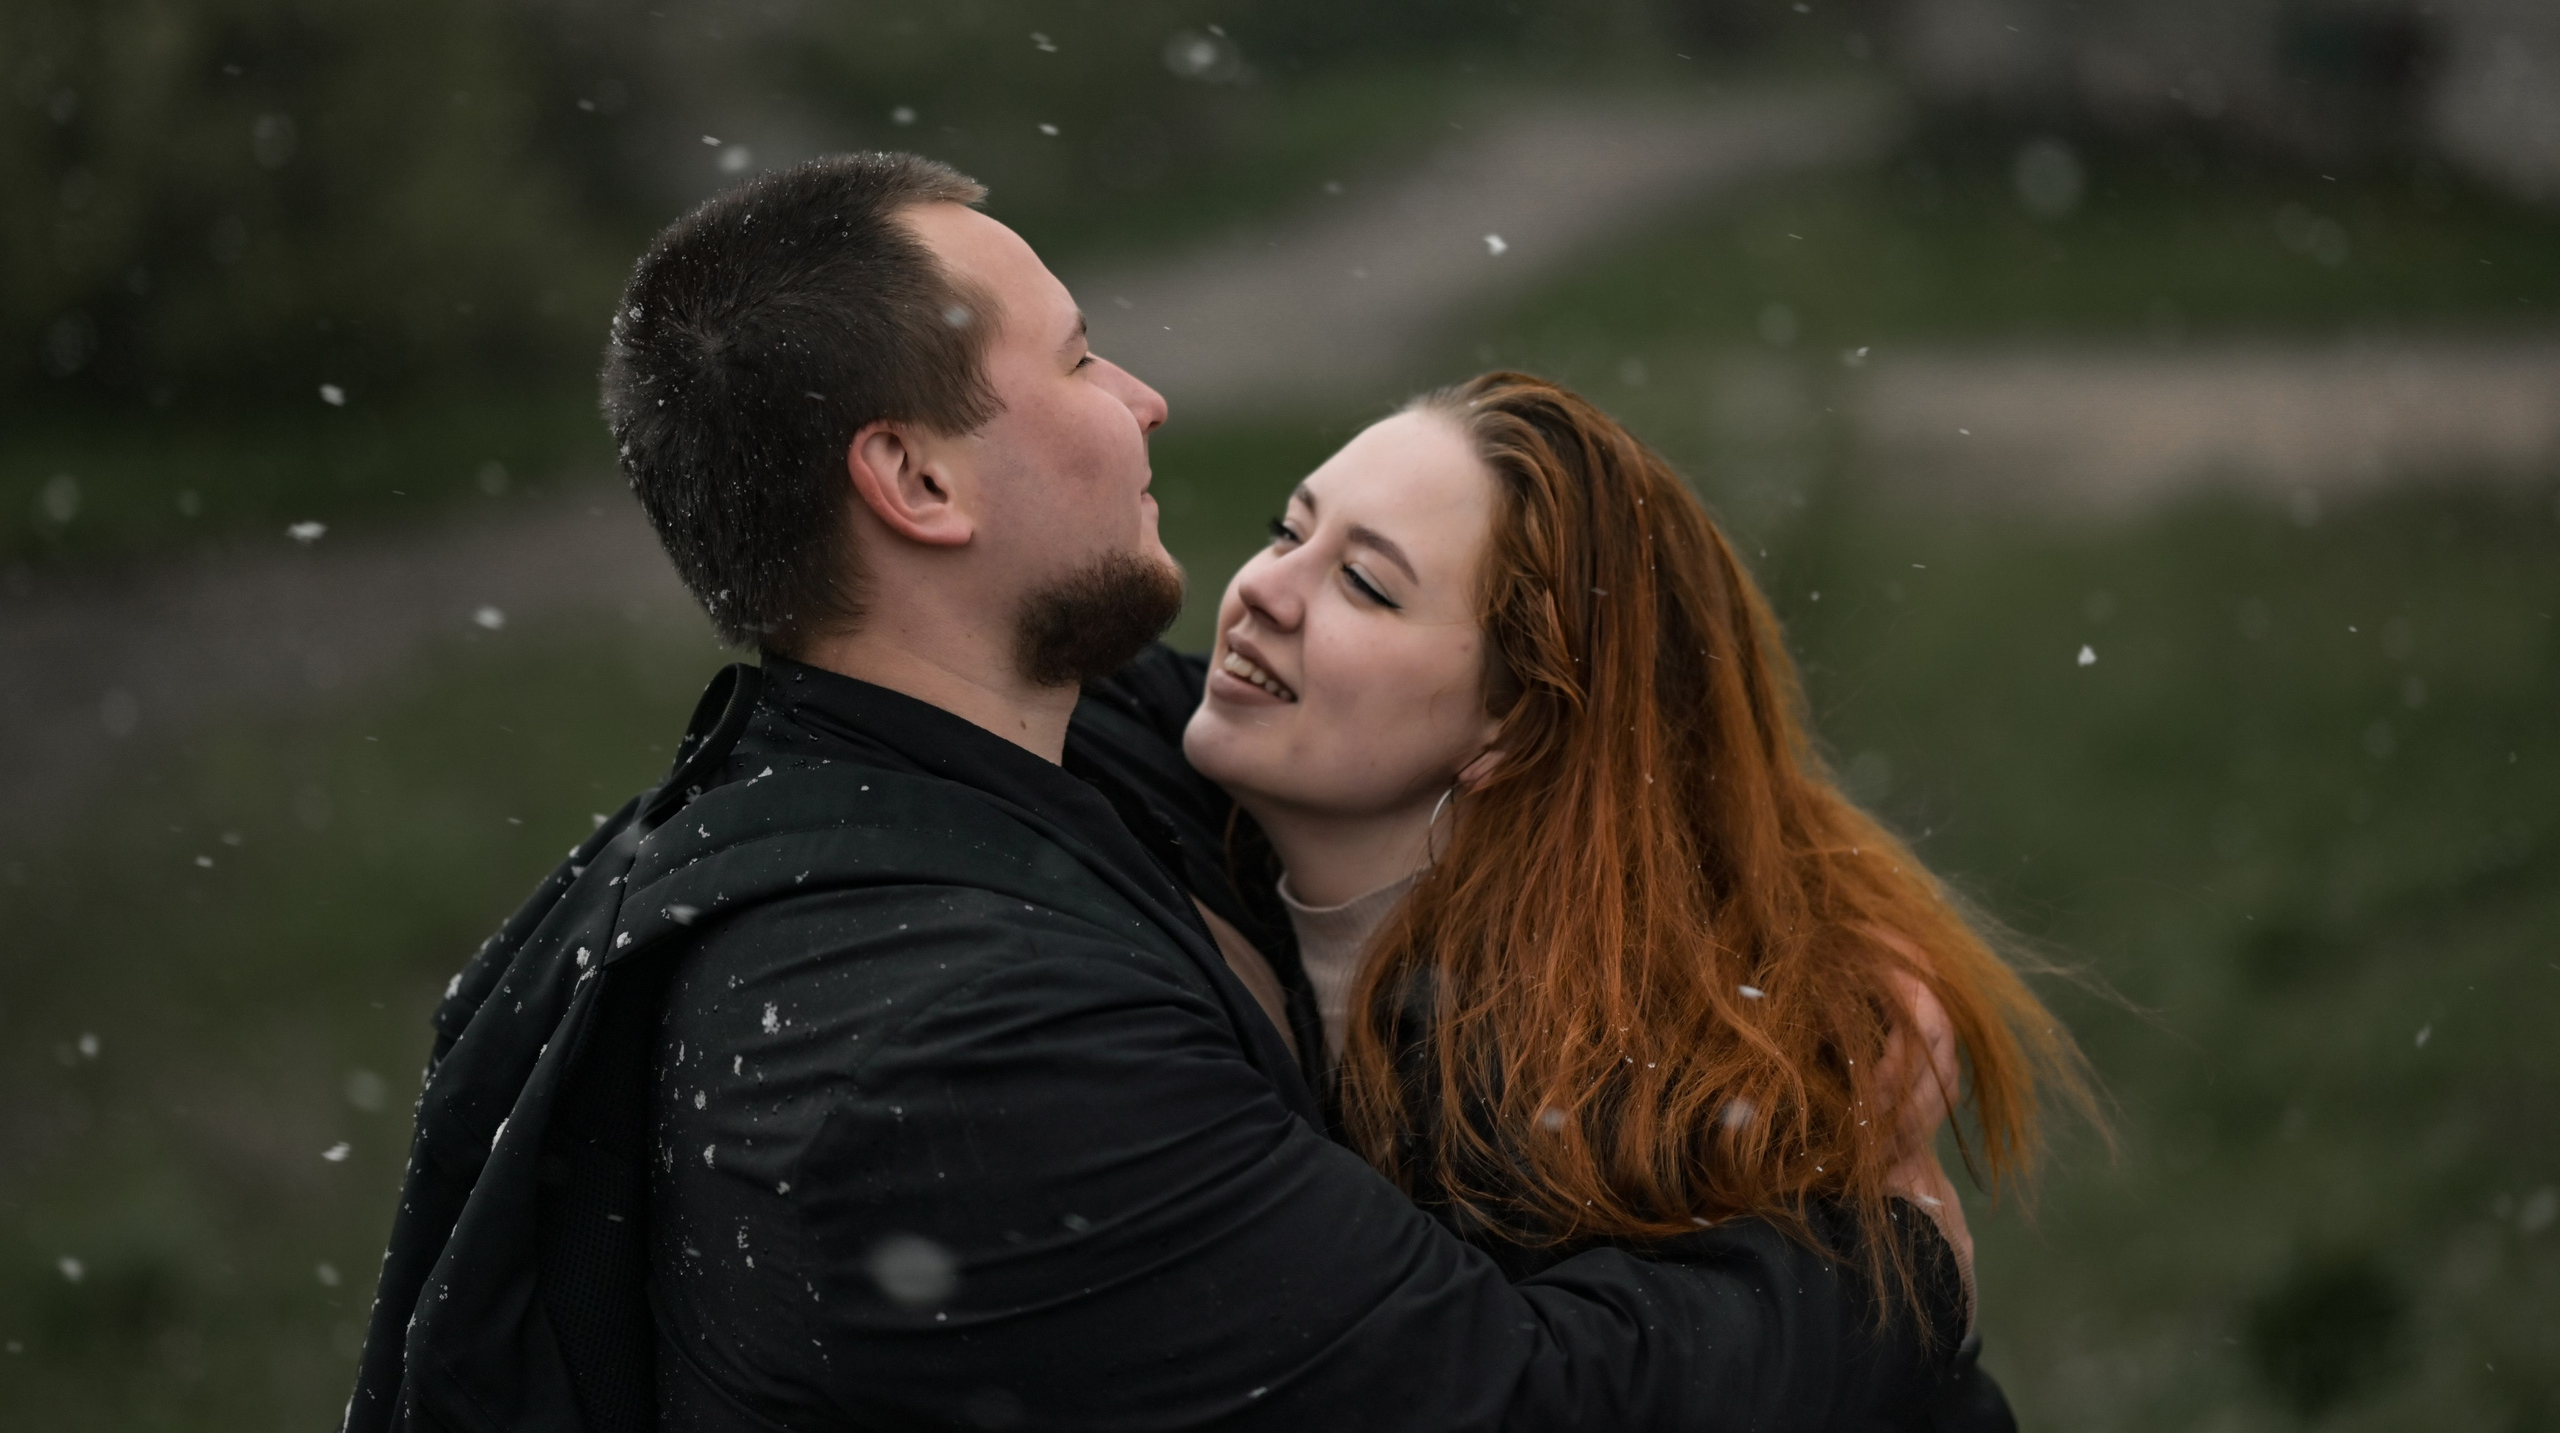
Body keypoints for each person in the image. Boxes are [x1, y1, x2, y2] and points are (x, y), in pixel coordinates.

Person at [348, 153, 1992, 1433]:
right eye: (1077, 357)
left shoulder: (1080, 740)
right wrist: (1886, 1263)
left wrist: (1808, 996)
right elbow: (1513, 1403)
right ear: (917, 480)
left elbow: (1549, 775)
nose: (1143, 399)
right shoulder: (937, 1040)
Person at [1164, 374, 2093, 1415]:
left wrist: (1905, 1281)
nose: (1264, 589)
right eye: (1285, 531)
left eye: (1365, 585)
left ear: (1512, 726)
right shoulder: (1155, 827)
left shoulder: (1590, 1108)